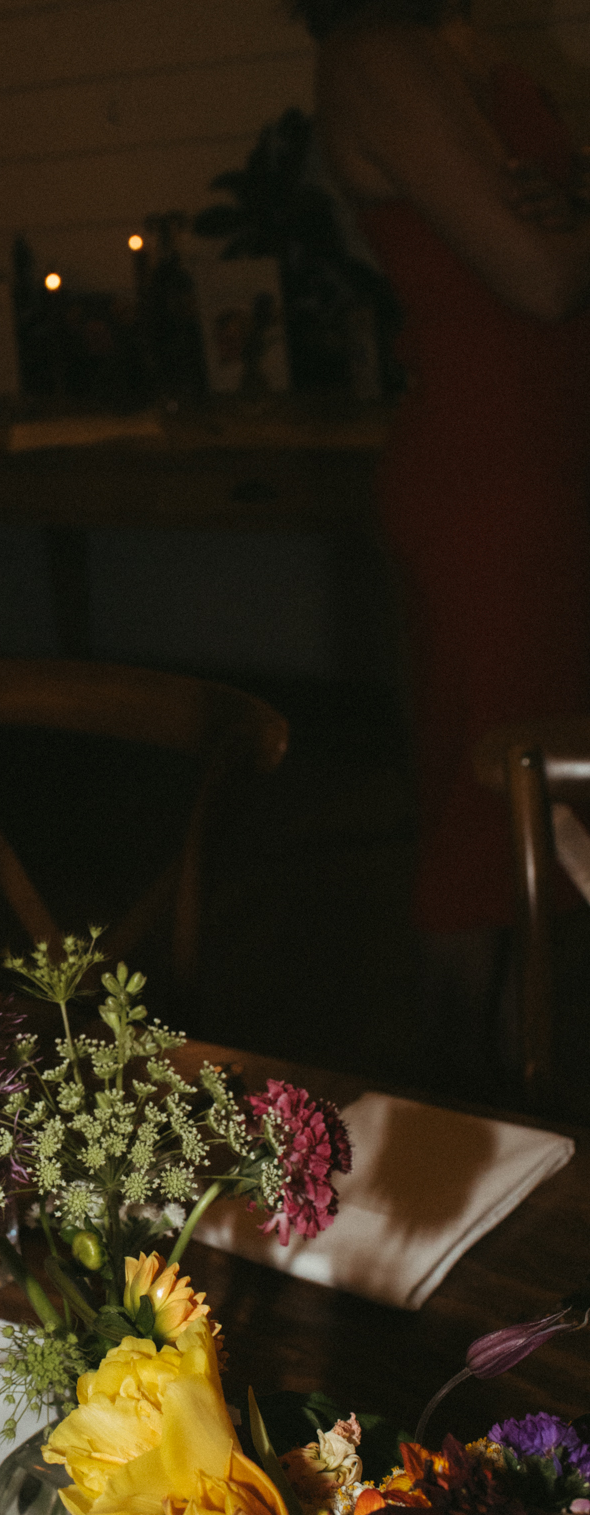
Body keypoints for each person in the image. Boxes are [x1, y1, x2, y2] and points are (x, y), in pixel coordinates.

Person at [301, 0, 590, 1084]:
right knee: (487, 826)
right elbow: (541, 278)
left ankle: (527, 1106)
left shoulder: (463, 37)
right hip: (493, 480)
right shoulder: (376, 48)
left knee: (542, 821)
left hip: (551, 463)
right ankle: (454, 1117)